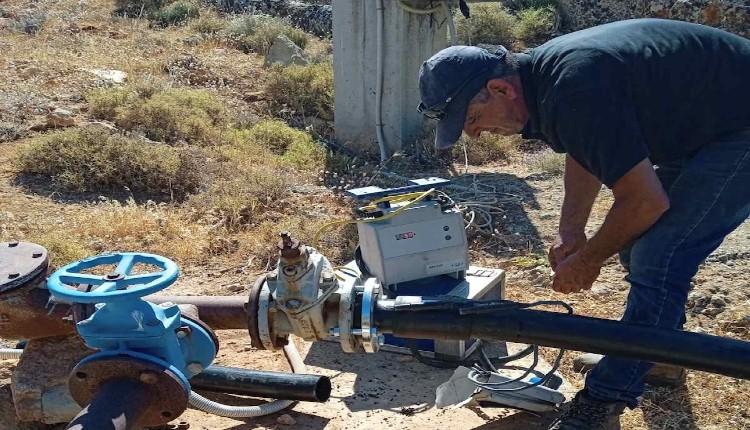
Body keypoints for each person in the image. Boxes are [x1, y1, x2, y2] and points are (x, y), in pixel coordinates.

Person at [417, 18, 750, 430]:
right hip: (705, 125)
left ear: (501, 89)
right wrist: (571, 231)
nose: (477, 135)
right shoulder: (548, 84)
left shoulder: (571, 86)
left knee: (659, 255)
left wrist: (589, 260)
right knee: (639, 247)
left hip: (739, 129)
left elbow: (644, 202)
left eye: (472, 118)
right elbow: (584, 148)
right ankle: (660, 356)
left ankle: (603, 400)